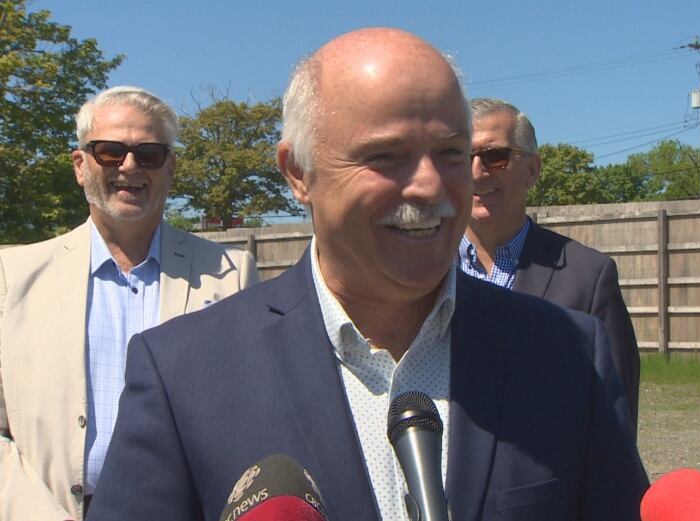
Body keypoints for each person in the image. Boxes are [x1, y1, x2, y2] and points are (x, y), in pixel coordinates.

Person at [87, 30, 648, 521]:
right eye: (387, 156)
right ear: (298, 174)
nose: (430, 186)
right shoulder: (183, 374)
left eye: (451, 153)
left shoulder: (567, 354)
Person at [0, 86, 259, 521]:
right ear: (80, 166)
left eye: (150, 154)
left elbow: (251, 415)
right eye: (109, 151)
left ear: (170, 167)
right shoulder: (12, 278)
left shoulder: (231, 274)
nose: (130, 166)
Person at [461, 98, 640, 429]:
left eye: (494, 156)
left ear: (532, 170)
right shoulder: (422, 273)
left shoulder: (587, 278)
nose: (476, 171)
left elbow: (617, 424)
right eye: (460, 156)